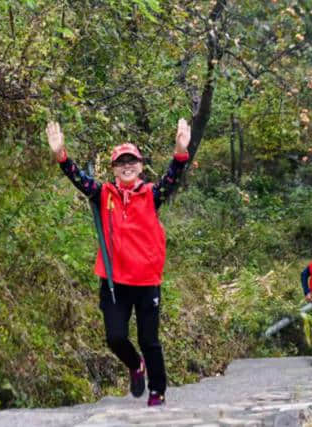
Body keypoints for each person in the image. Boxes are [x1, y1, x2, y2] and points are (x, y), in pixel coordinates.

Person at [45, 119, 191, 406]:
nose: (127, 166)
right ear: (113, 168)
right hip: (115, 282)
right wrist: (61, 154)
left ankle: (157, 391)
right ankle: (136, 365)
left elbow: (173, 176)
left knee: (150, 340)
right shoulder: (103, 195)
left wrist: (180, 151)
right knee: (114, 337)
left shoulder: (151, 194)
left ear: (140, 165)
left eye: (132, 161)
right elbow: (77, 178)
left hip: (147, 281)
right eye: (121, 162)